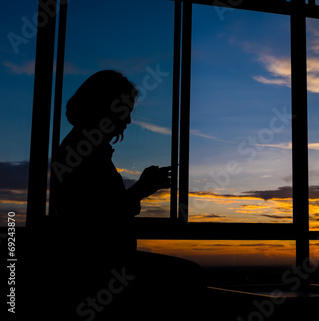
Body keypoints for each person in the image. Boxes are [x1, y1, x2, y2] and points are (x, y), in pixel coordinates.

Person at [43, 70, 205, 320]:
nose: (128, 120)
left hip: (101, 267)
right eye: (125, 110)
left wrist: (141, 189)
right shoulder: (84, 153)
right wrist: (142, 189)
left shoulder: (83, 148)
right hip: (98, 270)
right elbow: (99, 218)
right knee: (189, 276)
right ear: (105, 108)